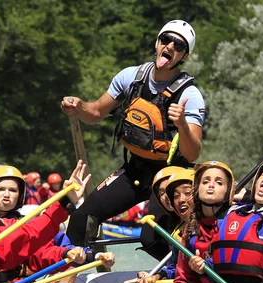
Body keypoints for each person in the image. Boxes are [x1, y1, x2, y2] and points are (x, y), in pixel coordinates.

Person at [60, 20, 205, 258]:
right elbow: (96, 112)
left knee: (150, 238)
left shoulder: (189, 94)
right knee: (82, 217)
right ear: (157, 43)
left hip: (169, 176)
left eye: (177, 45)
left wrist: (182, 126)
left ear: (184, 56)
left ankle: (180, 282)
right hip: (134, 171)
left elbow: (192, 154)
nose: (169, 46)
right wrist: (78, 106)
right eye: (165, 40)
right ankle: (76, 279)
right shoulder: (131, 77)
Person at [155, 161, 234, 283]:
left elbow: (238, 264)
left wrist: (208, 266)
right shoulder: (190, 232)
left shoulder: (237, 221)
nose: (181, 200)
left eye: (187, 193)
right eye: (176, 196)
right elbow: (183, 282)